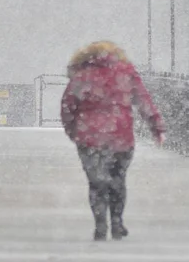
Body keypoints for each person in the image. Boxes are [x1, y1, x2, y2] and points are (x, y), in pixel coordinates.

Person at [60, 41, 165, 241]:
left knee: (97, 183)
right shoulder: (125, 72)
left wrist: (73, 131)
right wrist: (157, 127)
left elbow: (68, 106)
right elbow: (143, 100)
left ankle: (100, 226)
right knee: (117, 180)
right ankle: (117, 223)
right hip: (120, 138)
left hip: (89, 138)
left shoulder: (82, 76)